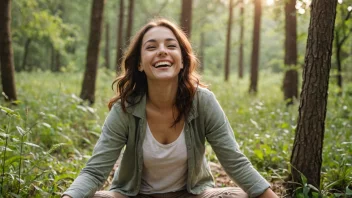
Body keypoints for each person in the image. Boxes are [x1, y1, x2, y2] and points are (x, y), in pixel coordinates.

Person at [62, 18, 278, 198]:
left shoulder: (203, 102)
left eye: (171, 46)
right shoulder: (125, 109)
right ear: (139, 63)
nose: (162, 52)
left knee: (243, 196)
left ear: (182, 61)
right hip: (135, 195)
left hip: (192, 194)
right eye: (151, 47)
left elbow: (235, 162)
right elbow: (95, 172)